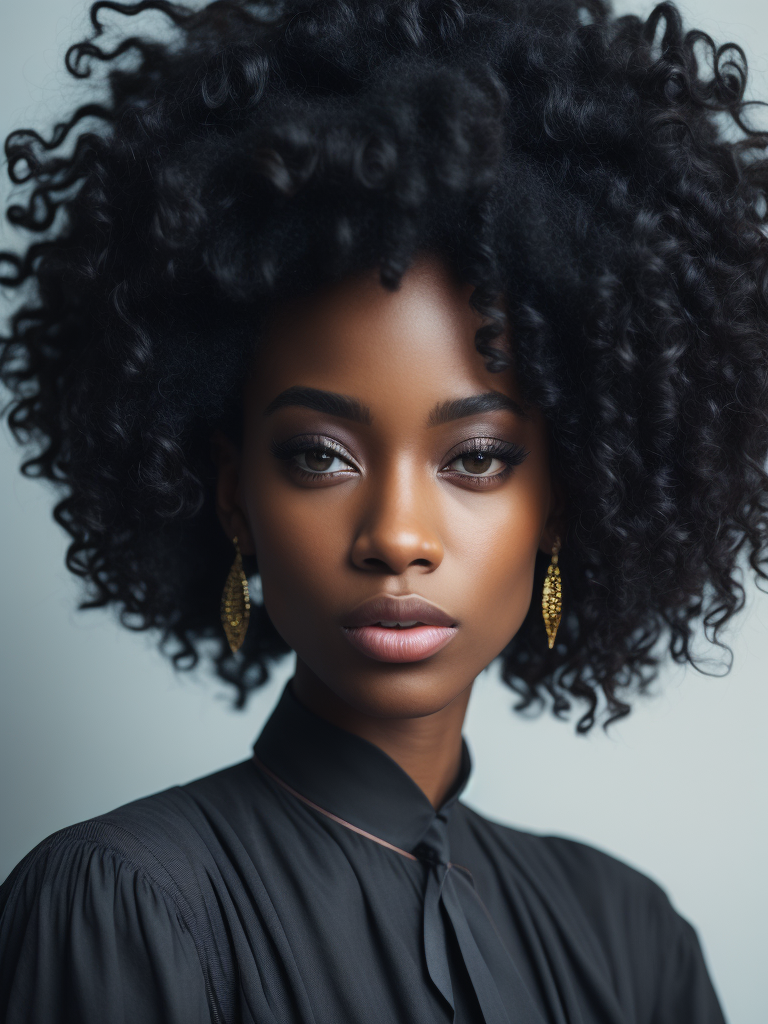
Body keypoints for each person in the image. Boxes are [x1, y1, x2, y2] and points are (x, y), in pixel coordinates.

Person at [1, 0, 766, 1020]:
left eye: (479, 457)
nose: (397, 536)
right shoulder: (124, 902)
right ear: (234, 499)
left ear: (567, 501)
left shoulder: (633, 939)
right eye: (319, 455)